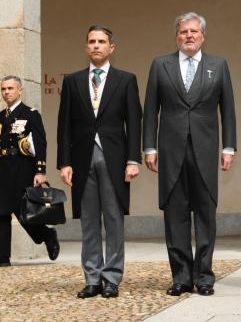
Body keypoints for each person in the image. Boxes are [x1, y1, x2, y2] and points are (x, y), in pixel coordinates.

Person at [143, 12, 236, 297]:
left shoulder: (218, 65)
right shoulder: (161, 65)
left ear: (203, 36)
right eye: (184, 32)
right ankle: (181, 276)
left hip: (206, 150)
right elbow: (150, 111)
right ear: (177, 36)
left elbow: (228, 110)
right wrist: (149, 147)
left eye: (194, 31)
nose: (189, 36)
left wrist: (229, 147)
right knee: (176, 215)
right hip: (171, 151)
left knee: (206, 214)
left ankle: (204, 276)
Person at [57, 26, 142, 298]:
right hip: (81, 160)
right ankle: (92, 278)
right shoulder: (72, 81)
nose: (96, 46)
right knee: (89, 221)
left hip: (115, 159)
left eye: (101, 41)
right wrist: (64, 163)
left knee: (114, 219)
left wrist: (133, 159)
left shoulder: (126, 80)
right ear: (86, 47)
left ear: (111, 48)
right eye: (92, 41)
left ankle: (112, 278)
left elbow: (134, 123)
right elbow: (64, 126)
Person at [0, 75, 59, 268]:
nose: (6, 92)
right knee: (1, 213)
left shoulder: (30, 114)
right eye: (3, 89)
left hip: (22, 167)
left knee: (23, 211)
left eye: (10, 88)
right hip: (2, 169)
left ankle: (47, 234)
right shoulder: (1, 116)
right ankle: (3, 259)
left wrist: (40, 171)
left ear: (20, 91)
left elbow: (40, 144)